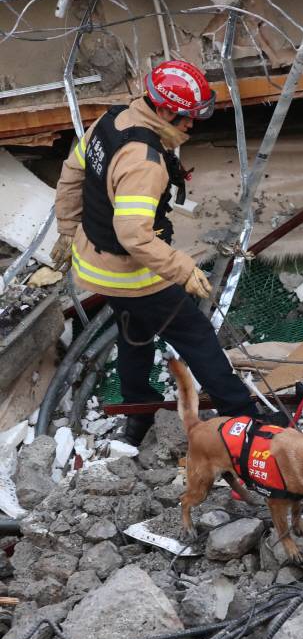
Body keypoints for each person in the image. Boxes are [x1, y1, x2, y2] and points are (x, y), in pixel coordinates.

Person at [51, 59, 259, 446]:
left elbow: (71, 174)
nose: (190, 126)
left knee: (135, 333)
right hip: (133, 273)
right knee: (196, 337)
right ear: (163, 108)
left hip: (96, 265)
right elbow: (134, 236)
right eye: (185, 117)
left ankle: (138, 411)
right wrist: (181, 268)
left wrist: (67, 231)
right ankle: (245, 420)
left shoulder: (110, 123)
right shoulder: (144, 162)